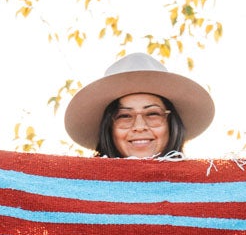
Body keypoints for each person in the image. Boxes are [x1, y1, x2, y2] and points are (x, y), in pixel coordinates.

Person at [63, 52, 215, 160]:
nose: (140, 126)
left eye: (152, 114)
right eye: (124, 116)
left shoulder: (207, 190)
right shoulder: (77, 194)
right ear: (108, 128)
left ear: (171, 123)